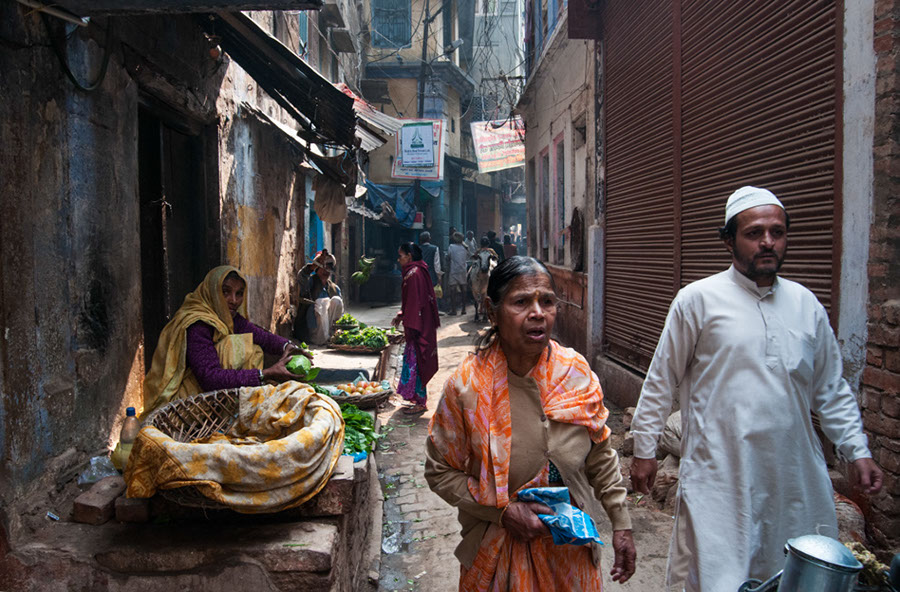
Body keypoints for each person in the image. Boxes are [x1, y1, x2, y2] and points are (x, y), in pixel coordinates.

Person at [629, 186, 884, 592]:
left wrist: (856, 450)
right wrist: (644, 450)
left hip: (792, 474)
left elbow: (831, 390)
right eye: (754, 233)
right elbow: (662, 378)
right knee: (721, 575)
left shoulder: (807, 306)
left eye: (777, 232)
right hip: (720, 472)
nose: (768, 242)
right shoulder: (697, 301)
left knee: (791, 571)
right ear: (729, 240)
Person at [426, 256, 637, 590]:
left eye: (547, 301)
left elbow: (600, 452)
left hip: (572, 555)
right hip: (498, 557)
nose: (538, 312)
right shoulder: (467, 387)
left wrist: (621, 524)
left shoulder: (575, 373)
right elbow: (440, 472)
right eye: (521, 302)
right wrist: (502, 512)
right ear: (492, 311)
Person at [143, 265, 308, 414]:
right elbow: (210, 378)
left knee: (253, 343)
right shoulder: (198, 324)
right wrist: (264, 374)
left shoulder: (227, 317)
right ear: (212, 291)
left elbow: (260, 335)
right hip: (185, 403)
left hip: (209, 393)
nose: (234, 300)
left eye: (239, 293)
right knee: (244, 347)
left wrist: (288, 346)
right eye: (226, 292)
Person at [392, 243, 440, 415]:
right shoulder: (419, 270)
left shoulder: (413, 274)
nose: (399, 260)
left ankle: (420, 402)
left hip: (418, 325)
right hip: (422, 322)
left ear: (409, 256)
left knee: (418, 360)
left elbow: (414, 302)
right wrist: (402, 314)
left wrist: (408, 321)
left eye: (401, 256)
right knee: (416, 360)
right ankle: (416, 398)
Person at [295, 249, 343, 345]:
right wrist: (312, 266)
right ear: (317, 269)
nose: (325, 271)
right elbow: (302, 276)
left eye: (328, 268)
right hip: (314, 332)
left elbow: (339, 314)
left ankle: (332, 337)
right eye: (323, 268)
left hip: (330, 333)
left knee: (337, 300)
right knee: (322, 302)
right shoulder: (310, 283)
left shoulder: (335, 288)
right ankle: (323, 338)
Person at [447, 232, 469, 316]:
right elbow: (467, 257)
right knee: (464, 290)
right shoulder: (465, 247)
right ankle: (463, 309)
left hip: (454, 271)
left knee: (453, 291)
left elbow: (448, 256)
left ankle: (454, 310)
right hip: (463, 270)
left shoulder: (451, 247)